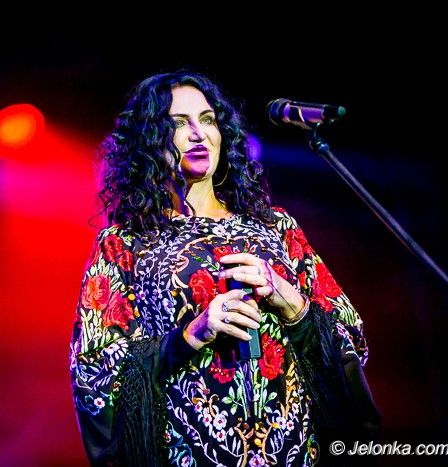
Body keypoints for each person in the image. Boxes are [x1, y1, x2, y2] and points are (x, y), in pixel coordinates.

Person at [69, 71, 380, 466]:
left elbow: (350, 338)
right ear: (149, 139)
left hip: (296, 452)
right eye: (178, 123)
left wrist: (292, 303)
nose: (198, 133)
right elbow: (94, 372)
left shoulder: (275, 227)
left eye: (207, 120)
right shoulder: (125, 243)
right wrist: (190, 335)